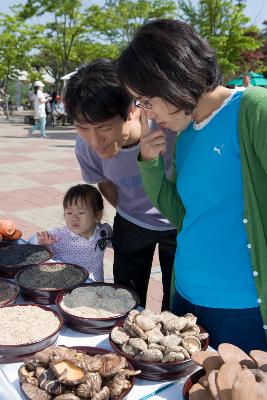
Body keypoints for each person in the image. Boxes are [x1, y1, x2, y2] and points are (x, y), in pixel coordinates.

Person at [117, 19, 267, 352]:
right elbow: (183, 215)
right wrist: (150, 164)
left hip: (243, 306)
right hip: (184, 298)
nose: (148, 114)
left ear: (172, 74)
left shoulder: (254, 108)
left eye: (146, 100)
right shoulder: (184, 137)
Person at [64, 58, 177, 310]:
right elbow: (105, 183)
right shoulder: (85, 146)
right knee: (125, 299)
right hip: (131, 222)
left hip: (178, 223)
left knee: (176, 304)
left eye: (103, 127)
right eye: (83, 128)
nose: (95, 141)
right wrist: (128, 209)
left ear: (132, 110)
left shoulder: (169, 128)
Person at [28, 184, 112, 282]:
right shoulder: (60, 235)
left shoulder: (104, 231)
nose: (74, 218)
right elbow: (30, 241)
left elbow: (117, 243)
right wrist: (41, 242)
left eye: (81, 213)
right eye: (69, 213)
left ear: (97, 215)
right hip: (68, 286)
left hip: (96, 285)